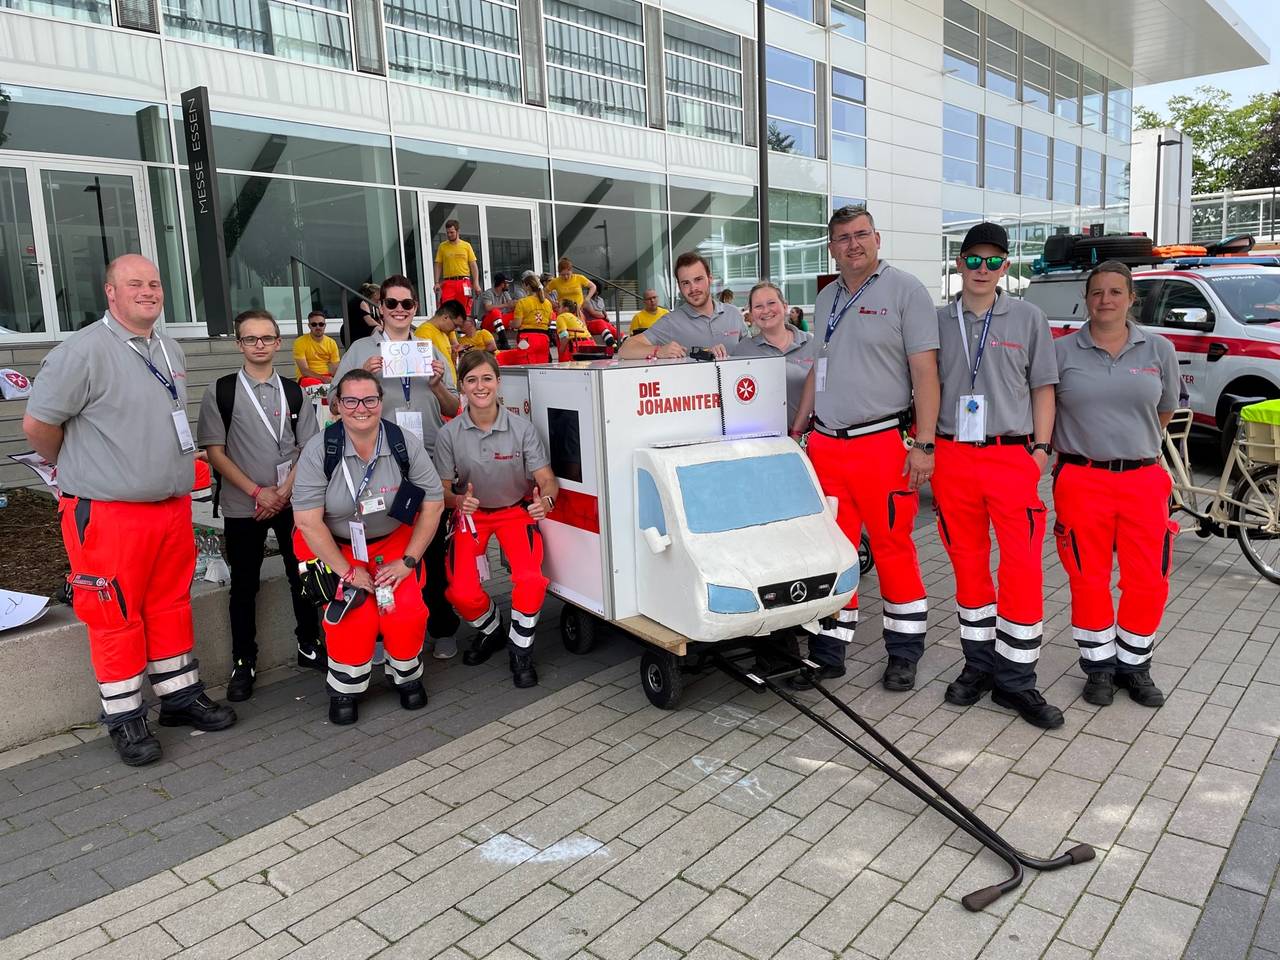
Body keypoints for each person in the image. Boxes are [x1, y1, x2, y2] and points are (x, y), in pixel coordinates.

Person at [23, 254, 236, 767]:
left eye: (155, 283)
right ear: (110, 292)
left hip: (168, 508)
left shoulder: (168, 346)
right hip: (108, 512)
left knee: (170, 604)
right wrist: (81, 467)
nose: (148, 291)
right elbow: (38, 428)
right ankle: (124, 716)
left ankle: (179, 696)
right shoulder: (81, 352)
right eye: (134, 283)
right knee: (113, 613)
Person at [789, 205, 940, 691]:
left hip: (881, 445)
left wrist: (925, 443)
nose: (852, 244)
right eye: (842, 238)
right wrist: (798, 430)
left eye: (860, 235)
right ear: (831, 248)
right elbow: (819, 367)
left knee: (893, 548)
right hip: (827, 447)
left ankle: (904, 653)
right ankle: (828, 652)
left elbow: (926, 374)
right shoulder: (826, 297)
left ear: (877, 238)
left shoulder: (906, 291)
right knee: (835, 552)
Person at [932, 223, 1063, 729]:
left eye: (992, 261)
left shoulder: (1028, 318)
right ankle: (979, 666)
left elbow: (1044, 388)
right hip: (953, 457)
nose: (982, 269)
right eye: (973, 260)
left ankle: (1017, 680)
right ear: (959, 263)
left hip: (1011, 457)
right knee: (968, 565)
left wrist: (1041, 452)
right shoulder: (938, 321)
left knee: (1022, 568)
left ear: (1005, 266)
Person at [1053, 261, 1179, 709]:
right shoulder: (1061, 351)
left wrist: (1134, 444)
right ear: (1086, 299)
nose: (1105, 300)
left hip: (1142, 479)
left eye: (1115, 292)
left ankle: (1135, 665)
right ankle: (1099, 668)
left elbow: (1165, 410)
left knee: (1149, 579)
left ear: (1131, 299)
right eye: (1096, 292)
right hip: (1081, 478)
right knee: (1087, 577)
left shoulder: (1159, 349)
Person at [292, 370, 445, 724]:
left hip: (393, 542)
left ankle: (406, 675)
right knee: (353, 617)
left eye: (369, 400)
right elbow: (307, 521)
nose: (361, 408)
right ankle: (345, 687)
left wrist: (408, 561)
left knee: (405, 611)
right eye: (350, 400)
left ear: (381, 402)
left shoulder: (403, 443)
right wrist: (346, 572)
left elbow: (433, 504)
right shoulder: (320, 449)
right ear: (337, 404)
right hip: (337, 547)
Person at [329, 276, 462, 660]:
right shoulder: (360, 349)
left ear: (415, 307)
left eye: (407, 304)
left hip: (426, 459)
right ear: (381, 308)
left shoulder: (430, 346)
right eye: (392, 303)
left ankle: (441, 625)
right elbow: (335, 405)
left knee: (430, 547)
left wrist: (437, 385)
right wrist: (362, 379)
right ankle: (381, 633)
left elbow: (454, 407)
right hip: (377, 463)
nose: (400, 310)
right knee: (382, 546)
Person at [198, 310, 321, 702]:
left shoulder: (294, 391)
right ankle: (243, 660)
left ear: (278, 342)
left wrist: (282, 492)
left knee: (303, 574)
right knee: (244, 586)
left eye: (267, 338)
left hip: (291, 499)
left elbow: (309, 448)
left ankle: (309, 643)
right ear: (239, 344)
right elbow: (214, 452)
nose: (259, 345)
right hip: (243, 505)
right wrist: (258, 492)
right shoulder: (222, 391)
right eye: (251, 339)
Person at [436, 351, 559, 687]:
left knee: (531, 580)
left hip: (514, 513)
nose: (480, 386)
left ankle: (520, 649)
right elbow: (442, 492)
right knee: (460, 591)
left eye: (487, 378)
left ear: (498, 383)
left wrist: (546, 500)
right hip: (471, 517)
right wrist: (458, 500)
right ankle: (491, 629)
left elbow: (547, 479)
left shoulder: (522, 429)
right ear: (462, 386)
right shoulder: (449, 434)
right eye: (472, 380)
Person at [618, 253, 746, 360]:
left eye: (698, 279)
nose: (693, 288)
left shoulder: (733, 313)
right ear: (679, 286)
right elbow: (625, 349)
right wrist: (659, 350)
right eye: (685, 283)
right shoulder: (671, 321)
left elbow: (751, 348)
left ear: (710, 279)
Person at [731, 281, 815, 424]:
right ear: (751, 313)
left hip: (809, 434)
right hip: (762, 435)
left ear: (785, 306)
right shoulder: (742, 350)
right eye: (758, 306)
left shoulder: (812, 343)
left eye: (771, 303)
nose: (766, 310)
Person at [434, 219, 481, 316]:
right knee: (446, 309)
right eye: (447, 233)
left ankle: (463, 325)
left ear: (458, 231)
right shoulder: (442, 246)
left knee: (464, 310)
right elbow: (438, 265)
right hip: (448, 282)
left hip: (464, 282)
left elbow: (473, 266)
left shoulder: (466, 246)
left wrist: (476, 283)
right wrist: (437, 282)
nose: (449, 235)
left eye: (452, 232)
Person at [414, 298, 466, 382]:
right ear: (445, 317)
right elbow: (424, 368)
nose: (455, 329)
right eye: (455, 325)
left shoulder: (443, 332)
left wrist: (453, 352)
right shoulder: (424, 333)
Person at [513, 273, 557, 362]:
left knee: (525, 364)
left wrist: (511, 323)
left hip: (526, 339)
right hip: (543, 339)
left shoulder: (522, 302)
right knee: (543, 366)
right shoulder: (547, 303)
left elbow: (517, 324)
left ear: (527, 286)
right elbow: (549, 322)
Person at [294, 311, 340, 384]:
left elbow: (335, 368)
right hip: (307, 378)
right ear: (309, 326)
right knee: (311, 383)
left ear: (325, 325)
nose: (318, 327)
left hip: (327, 376)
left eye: (321, 324)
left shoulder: (331, 342)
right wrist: (323, 378)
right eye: (314, 324)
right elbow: (304, 370)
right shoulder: (300, 342)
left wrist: (336, 379)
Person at [479, 272, 516, 348]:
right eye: (507, 283)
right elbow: (488, 307)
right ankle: (503, 341)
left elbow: (511, 305)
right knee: (496, 312)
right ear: (502, 284)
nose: (508, 285)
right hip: (487, 323)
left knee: (516, 313)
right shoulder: (488, 293)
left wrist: (517, 304)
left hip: (499, 322)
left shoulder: (505, 293)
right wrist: (506, 305)